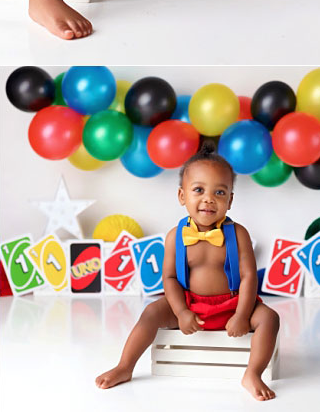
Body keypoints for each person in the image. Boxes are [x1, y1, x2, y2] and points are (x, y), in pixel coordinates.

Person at [95, 144, 280, 401]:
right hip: (190, 304)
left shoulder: (238, 234)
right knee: (151, 312)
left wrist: (242, 314)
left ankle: (253, 373)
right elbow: (170, 278)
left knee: (270, 318)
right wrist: (181, 311)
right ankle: (125, 366)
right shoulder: (175, 236)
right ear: (182, 196)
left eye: (219, 192)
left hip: (233, 304)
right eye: (199, 190)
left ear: (230, 200)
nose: (209, 198)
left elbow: (249, 277)